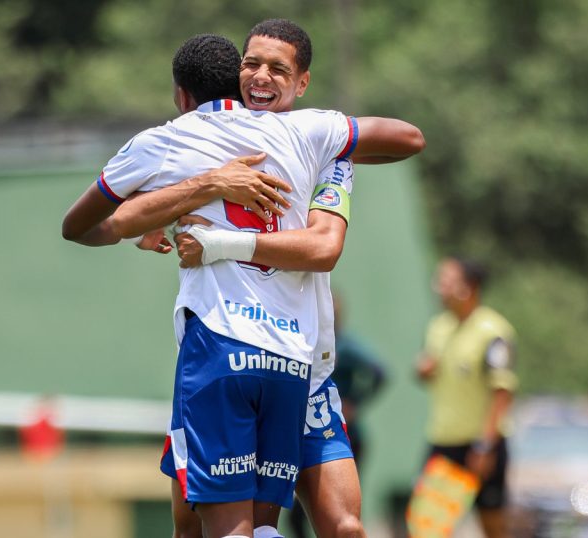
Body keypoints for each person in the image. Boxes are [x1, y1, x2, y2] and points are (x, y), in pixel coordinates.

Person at [63, 31, 422, 538]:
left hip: (234, 350)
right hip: (290, 359)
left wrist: (206, 223)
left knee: (228, 527)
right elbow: (408, 138)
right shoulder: (312, 134)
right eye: (252, 64)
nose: (261, 77)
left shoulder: (190, 141)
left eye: (277, 69)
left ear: (303, 82)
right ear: (235, 77)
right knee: (245, 526)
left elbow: (85, 226)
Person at [414, 257, 517, 538]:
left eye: (446, 281)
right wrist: (423, 371)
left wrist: (485, 446)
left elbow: (502, 392)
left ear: (468, 287)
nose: (438, 287)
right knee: (425, 530)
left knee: (493, 527)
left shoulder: (494, 331)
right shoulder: (438, 327)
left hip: (481, 447)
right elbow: (429, 371)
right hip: (445, 444)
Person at [287, 291, 387, 538]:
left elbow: (379, 371)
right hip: (301, 431)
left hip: (341, 434)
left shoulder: (343, 345)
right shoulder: (298, 341)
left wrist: (353, 401)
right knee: (296, 516)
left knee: (342, 517)